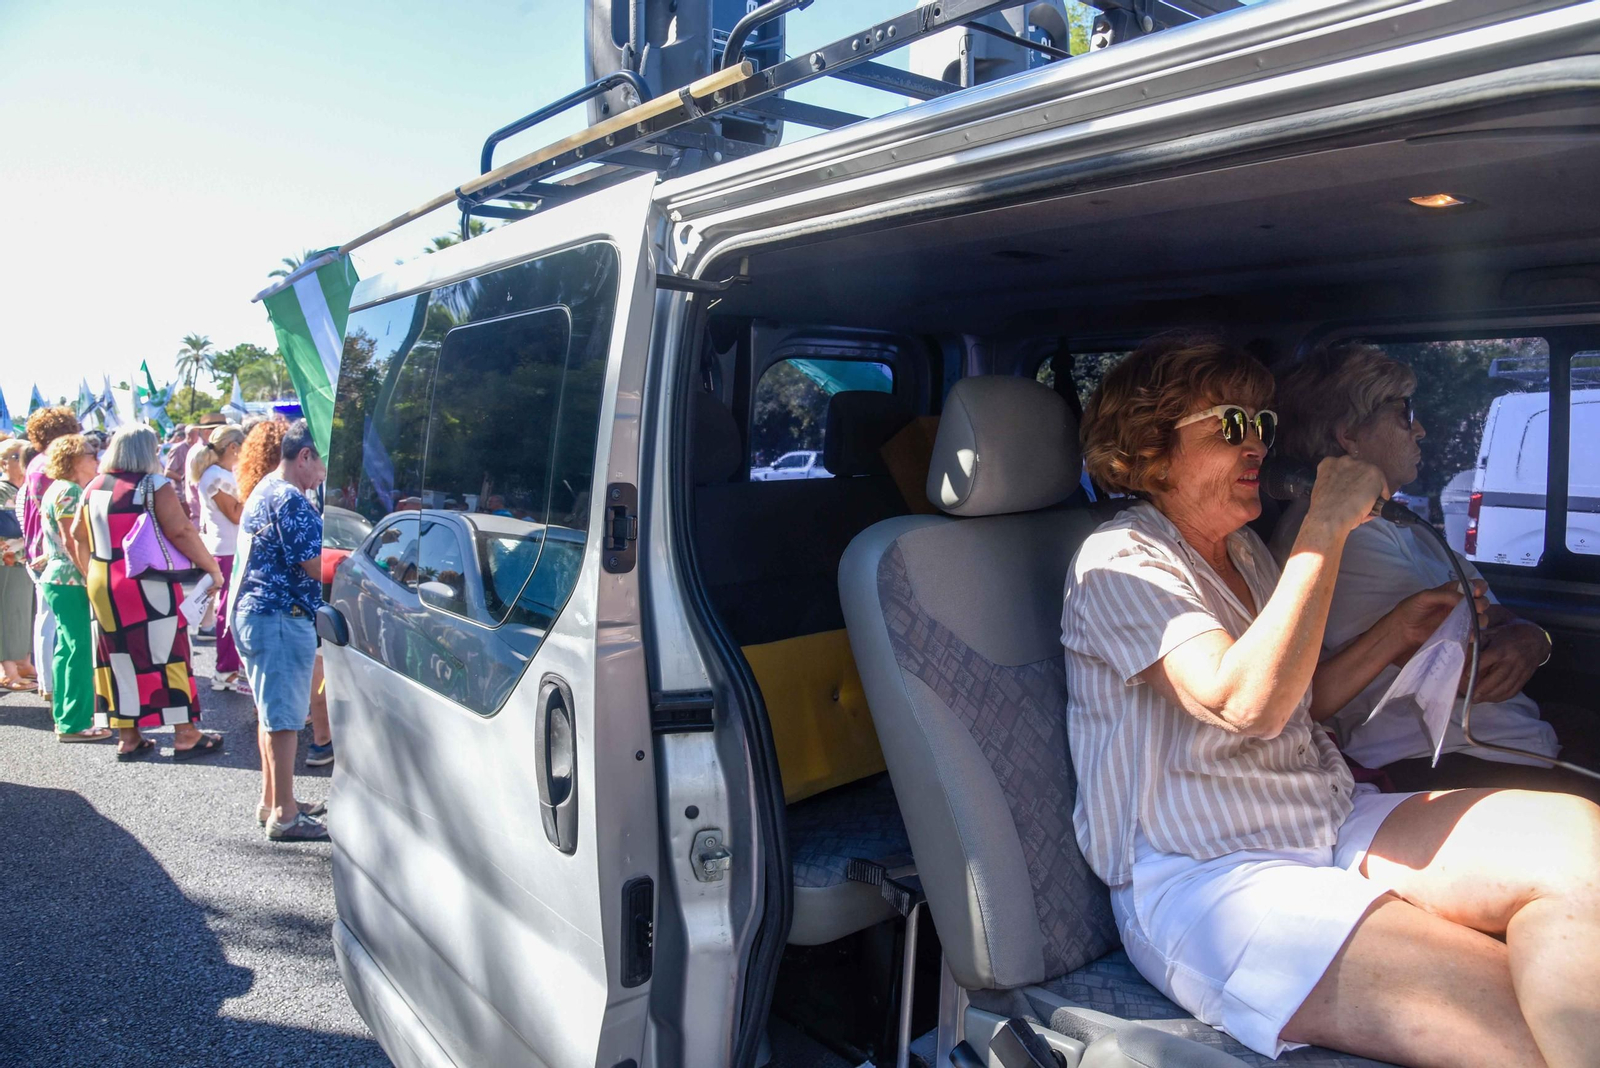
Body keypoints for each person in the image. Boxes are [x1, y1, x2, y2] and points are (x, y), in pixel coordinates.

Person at [1061, 334, 1600, 1067]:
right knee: (1511, 1012)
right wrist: (1325, 523)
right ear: (1151, 448)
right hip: (1211, 876)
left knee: (1581, 843)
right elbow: (1241, 703)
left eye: (1263, 424)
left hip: (1322, 816)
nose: (1257, 443)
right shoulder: (1123, 560)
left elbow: (1296, 708)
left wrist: (1390, 636)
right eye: (1231, 425)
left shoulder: (1244, 552)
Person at [1269, 341, 1599, 800]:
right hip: (1447, 762)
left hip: (1508, 745)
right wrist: (1522, 639)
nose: (1419, 430)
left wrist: (1533, 637)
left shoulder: (1403, 525)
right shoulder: (1342, 535)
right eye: (1403, 415)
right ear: (1349, 435)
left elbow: (1493, 616)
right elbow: (1460, 664)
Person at [76, 424, 225, 761]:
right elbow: (181, 530)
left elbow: (76, 534)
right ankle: (185, 734)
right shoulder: (153, 485)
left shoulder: (93, 487)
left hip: (102, 578)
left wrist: (91, 572)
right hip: (145, 581)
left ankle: (128, 737)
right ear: (147, 451)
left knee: (116, 655)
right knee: (166, 652)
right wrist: (212, 569)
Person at [232, 420, 328, 841]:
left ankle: (274, 800)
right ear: (305, 455)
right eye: (323, 464)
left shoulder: (267, 489)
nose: (325, 476)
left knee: (272, 715)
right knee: (285, 720)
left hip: (259, 614)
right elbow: (315, 566)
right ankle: (285, 815)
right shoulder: (290, 499)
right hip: (279, 617)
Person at [38, 434, 111, 741]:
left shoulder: (57, 488)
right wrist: (88, 576)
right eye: (89, 455)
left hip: (57, 578)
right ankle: (75, 723)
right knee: (79, 651)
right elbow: (72, 540)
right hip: (69, 578)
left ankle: (66, 717)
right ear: (73, 460)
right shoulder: (69, 490)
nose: (95, 459)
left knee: (66, 649)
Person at [20, 406, 82, 700]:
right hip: (51, 551)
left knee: (46, 619)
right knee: (55, 623)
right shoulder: (49, 465)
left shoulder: (35, 463)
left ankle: (48, 682)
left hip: (38, 546)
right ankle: (53, 684)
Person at [188, 424, 248, 693]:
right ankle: (225, 670)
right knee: (227, 611)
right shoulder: (214, 476)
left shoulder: (219, 473)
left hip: (229, 548)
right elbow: (235, 514)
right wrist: (252, 486)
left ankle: (229, 668)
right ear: (233, 447)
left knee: (229, 609)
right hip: (226, 549)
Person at [0, 438, 35, 690]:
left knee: (23, 614)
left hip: (22, 559)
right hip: (6, 560)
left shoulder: (22, 489)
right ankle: (7, 670)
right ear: (3, 463)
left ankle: (23, 662)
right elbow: (9, 527)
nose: (23, 462)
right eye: (17, 457)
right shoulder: (2, 490)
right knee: (6, 614)